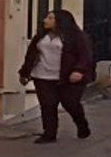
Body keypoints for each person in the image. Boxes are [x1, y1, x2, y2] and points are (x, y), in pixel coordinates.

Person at [19, 9, 93, 144]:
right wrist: (25, 73)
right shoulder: (41, 36)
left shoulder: (76, 36)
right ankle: (49, 133)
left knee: (70, 103)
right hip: (42, 75)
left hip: (68, 76)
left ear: (60, 21)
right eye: (47, 17)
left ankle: (82, 125)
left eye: (50, 18)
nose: (45, 20)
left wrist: (79, 70)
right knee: (47, 104)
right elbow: (30, 55)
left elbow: (85, 55)